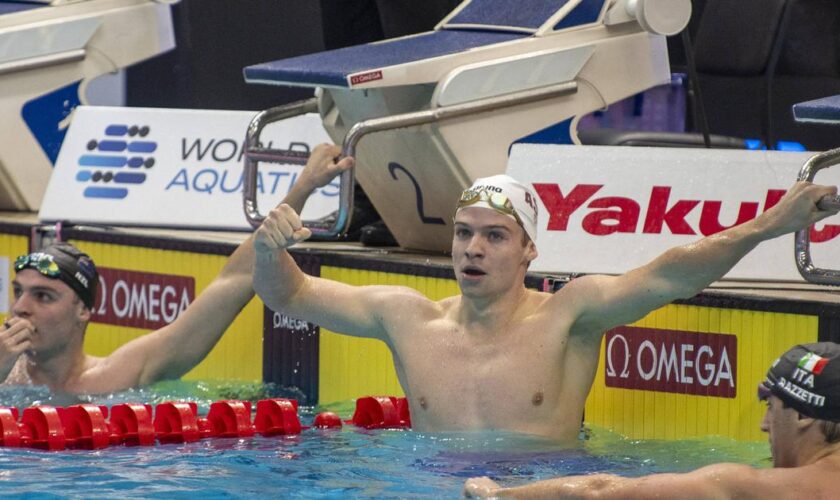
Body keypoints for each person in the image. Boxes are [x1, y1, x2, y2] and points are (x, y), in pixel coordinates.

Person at [253, 172, 838, 440]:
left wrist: (770, 225)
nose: (472, 249)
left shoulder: (570, 315)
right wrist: (266, 248)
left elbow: (673, 275)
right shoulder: (407, 316)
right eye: (463, 233)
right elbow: (292, 292)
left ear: (530, 249)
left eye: (495, 236)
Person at [0, 144, 353, 394]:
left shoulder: (119, 376)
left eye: (43, 295)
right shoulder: (6, 376)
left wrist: (304, 186)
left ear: (84, 311)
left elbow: (234, 280)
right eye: (18, 291)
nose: (20, 308)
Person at [464, 342, 840, 498]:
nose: (763, 425)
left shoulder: (751, 488)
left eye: (770, 406)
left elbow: (599, 491)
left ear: (804, 414)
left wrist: (497, 495)